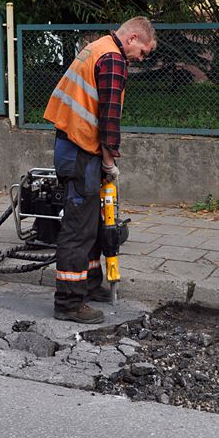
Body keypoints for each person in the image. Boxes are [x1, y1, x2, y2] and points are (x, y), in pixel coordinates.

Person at [43, 16, 157, 324]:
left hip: (74, 147)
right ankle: (68, 303)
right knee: (78, 229)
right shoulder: (113, 59)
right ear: (132, 38)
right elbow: (109, 120)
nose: (140, 59)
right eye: (143, 52)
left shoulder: (97, 48)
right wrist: (110, 163)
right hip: (82, 151)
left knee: (91, 224)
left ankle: (90, 286)